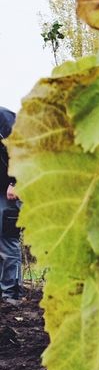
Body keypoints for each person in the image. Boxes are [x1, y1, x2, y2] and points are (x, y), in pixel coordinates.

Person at [0, 107, 22, 306]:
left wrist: (15, 183)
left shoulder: (5, 119)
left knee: (7, 239)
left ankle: (11, 294)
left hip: (10, 189)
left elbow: (22, 150)